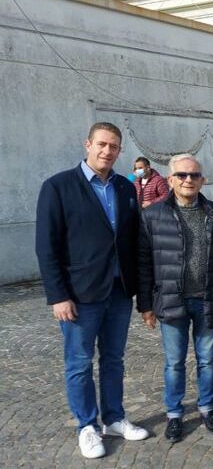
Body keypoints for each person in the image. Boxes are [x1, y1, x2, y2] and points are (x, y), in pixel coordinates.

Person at [35, 122, 149, 459]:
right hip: (79, 294)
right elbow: (46, 246)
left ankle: (113, 417)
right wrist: (57, 295)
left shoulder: (126, 189)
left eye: (114, 147)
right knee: (79, 362)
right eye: (101, 144)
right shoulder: (58, 187)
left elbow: (133, 244)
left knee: (114, 359)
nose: (107, 151)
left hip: (118, 291)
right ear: (87, 144)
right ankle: (87, 425)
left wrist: (142, 295)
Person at [137, 154, 213, 443]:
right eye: (182, 175)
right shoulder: (152, 216)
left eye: (194, 175)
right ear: (170, 179)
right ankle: (174, 415)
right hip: (171, 300)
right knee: (174, 362)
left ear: (202, 180)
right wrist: (145, 304)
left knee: (207, 360)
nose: (188, 180)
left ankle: (207, 409)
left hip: (209, 299)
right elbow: (144, 263)